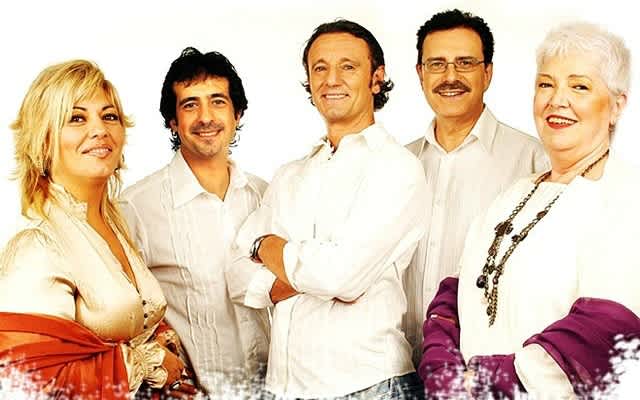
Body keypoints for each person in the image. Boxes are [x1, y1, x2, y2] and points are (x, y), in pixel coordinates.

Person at [419, 22, 640, 399]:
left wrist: (479, 382)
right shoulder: (513, 196)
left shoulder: (624, 197)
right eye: (546, 84)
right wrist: (445, 378)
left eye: (579, 86)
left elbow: (606, 335)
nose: (557, 100)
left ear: (617, 105)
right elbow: (451, 299)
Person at [225, 19, 427, 399]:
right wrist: (309, 277)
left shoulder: (397, 168)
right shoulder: (290, 175)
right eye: (320, 68)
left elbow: (340, 276)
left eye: (347, 66)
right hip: (285, 388)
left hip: (370, 386)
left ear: (377, 78)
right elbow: (236, 275)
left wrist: (265, 246)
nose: (331, 79)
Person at [0, 60, 187, 398]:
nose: (100, 129)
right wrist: (149, 362)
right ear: (43, 139)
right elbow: (28, 383)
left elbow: (134, 318)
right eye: (76, 118)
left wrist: (159, 342)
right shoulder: (36, 245)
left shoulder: (115, 222)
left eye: (109, 116)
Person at [119, 47, 270, 396]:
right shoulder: (136, 207)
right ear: (173, 121)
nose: (206, 117)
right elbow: (118, 316)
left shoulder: (267, 196)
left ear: (237, 113)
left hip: (272, 388)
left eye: (217, 101)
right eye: (190, 105)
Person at [403, 9, 549, 367]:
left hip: (482, 372)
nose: (450, 76)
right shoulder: (397, 164)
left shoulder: (535, 162)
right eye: (437, 64)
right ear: (420, 73)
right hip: (396, 370)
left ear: (488, 72)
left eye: (465, 63)